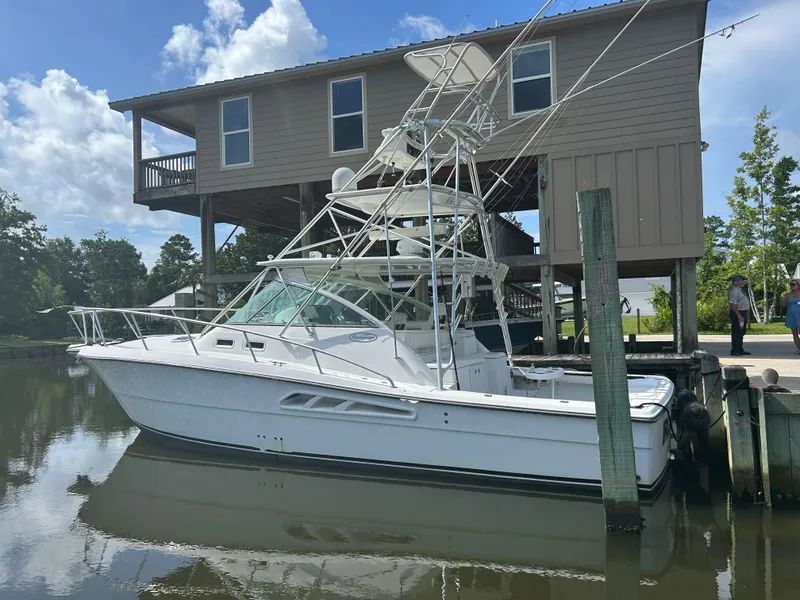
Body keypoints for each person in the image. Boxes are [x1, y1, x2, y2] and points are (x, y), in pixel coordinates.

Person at [728, 274, 751, 356]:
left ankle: (740, 349)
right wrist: (739, 316)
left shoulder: (739, 289)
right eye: (742, 280)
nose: (743, 282)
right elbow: (733, 304)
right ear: (736, 282)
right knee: (736, 332)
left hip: (743, 312)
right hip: (738, 312)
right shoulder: (734, 290)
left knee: (741, 331)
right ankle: (734, 350)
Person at [781, 278, 800, 355]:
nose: (792, 286)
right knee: (794, 333)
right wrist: (783, 299)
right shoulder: (788, 294)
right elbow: (783, 305)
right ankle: (799, 349)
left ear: (798, 285)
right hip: (791, 314)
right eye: (791, 284)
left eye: (794, 284)